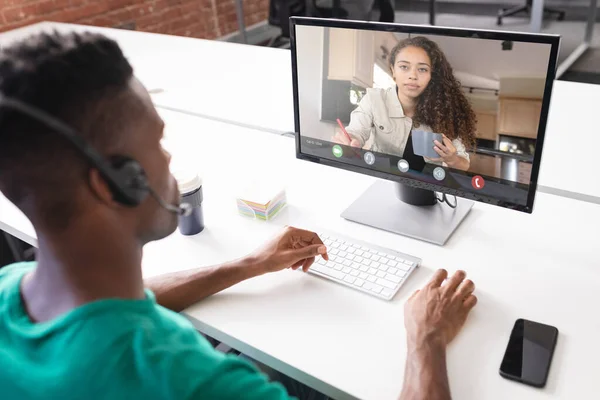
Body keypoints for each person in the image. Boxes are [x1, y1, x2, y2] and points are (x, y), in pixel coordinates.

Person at [0, 32, 477, 399]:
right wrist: (426, 340)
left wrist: (247, 265)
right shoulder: (195, 382)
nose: (169, 160)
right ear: (120, 183)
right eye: (158, 144)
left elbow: (114, 308)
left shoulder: (13, 288)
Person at [333, 36, 477, 171]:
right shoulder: (374, 99)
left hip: (428, 187)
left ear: (431, 76)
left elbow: (464, 163)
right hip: (381, 180)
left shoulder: (445, 111)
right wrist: (350, 140)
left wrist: (452, 159)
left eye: (422, 69)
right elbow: (356, 131)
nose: (413, 76)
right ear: (393, 70)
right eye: (404, 67)